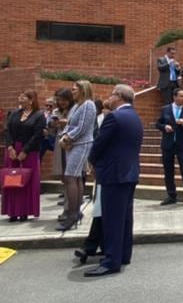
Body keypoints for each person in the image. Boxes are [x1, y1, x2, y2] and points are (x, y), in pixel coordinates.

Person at [85, 83, 143, 276]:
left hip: (114, 174)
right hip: (129, 173)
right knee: (125, 218)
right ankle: (123, 254)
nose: (109, 98)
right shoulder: (135, 117)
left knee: (112, 219)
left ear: (119, 96)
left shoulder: (114, 118)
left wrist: (91, 161)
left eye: (111, 94)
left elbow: (100, 144)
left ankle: (111, 260)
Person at [56, 80, 97, 231]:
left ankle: (72, 214)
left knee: (70, 177)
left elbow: (82, 127)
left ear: (83, 90)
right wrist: (64, 135)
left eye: (74, 89)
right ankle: (75, 212)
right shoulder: (76, 106)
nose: (72, 91)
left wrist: (67, 138)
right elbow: (69, 125)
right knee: (76, 177)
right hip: (72, 145)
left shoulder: (88, 105)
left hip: (82, 144)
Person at [72, 98, 107, 266]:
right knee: (100, 210)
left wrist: (92, 161)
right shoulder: (99, 121)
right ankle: (96, 245)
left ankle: (90, 246)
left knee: (101, 211)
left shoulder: (111, 121)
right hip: (102, 170)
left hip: (108, 171)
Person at [1, 90, 45, 222]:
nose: (20, 99)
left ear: (31, 100)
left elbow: (37, 135)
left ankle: (25, 211)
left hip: (29, 152)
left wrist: (25, 151)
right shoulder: (14, 114)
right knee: (12, 180)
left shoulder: (38, 116)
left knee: (26, 181)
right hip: (13, 151)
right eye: (19, 97)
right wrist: (10, 147)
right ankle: (12, 212)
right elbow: (7, 130)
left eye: (23, 97)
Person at [156, 86, 183, 205]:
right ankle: (171, 195)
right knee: (168, 170)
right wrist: (164, 127)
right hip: (168, 144)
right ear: (174, 97)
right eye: (181, 96)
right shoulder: (165, 109)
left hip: (181, 144)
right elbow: (158, 123)